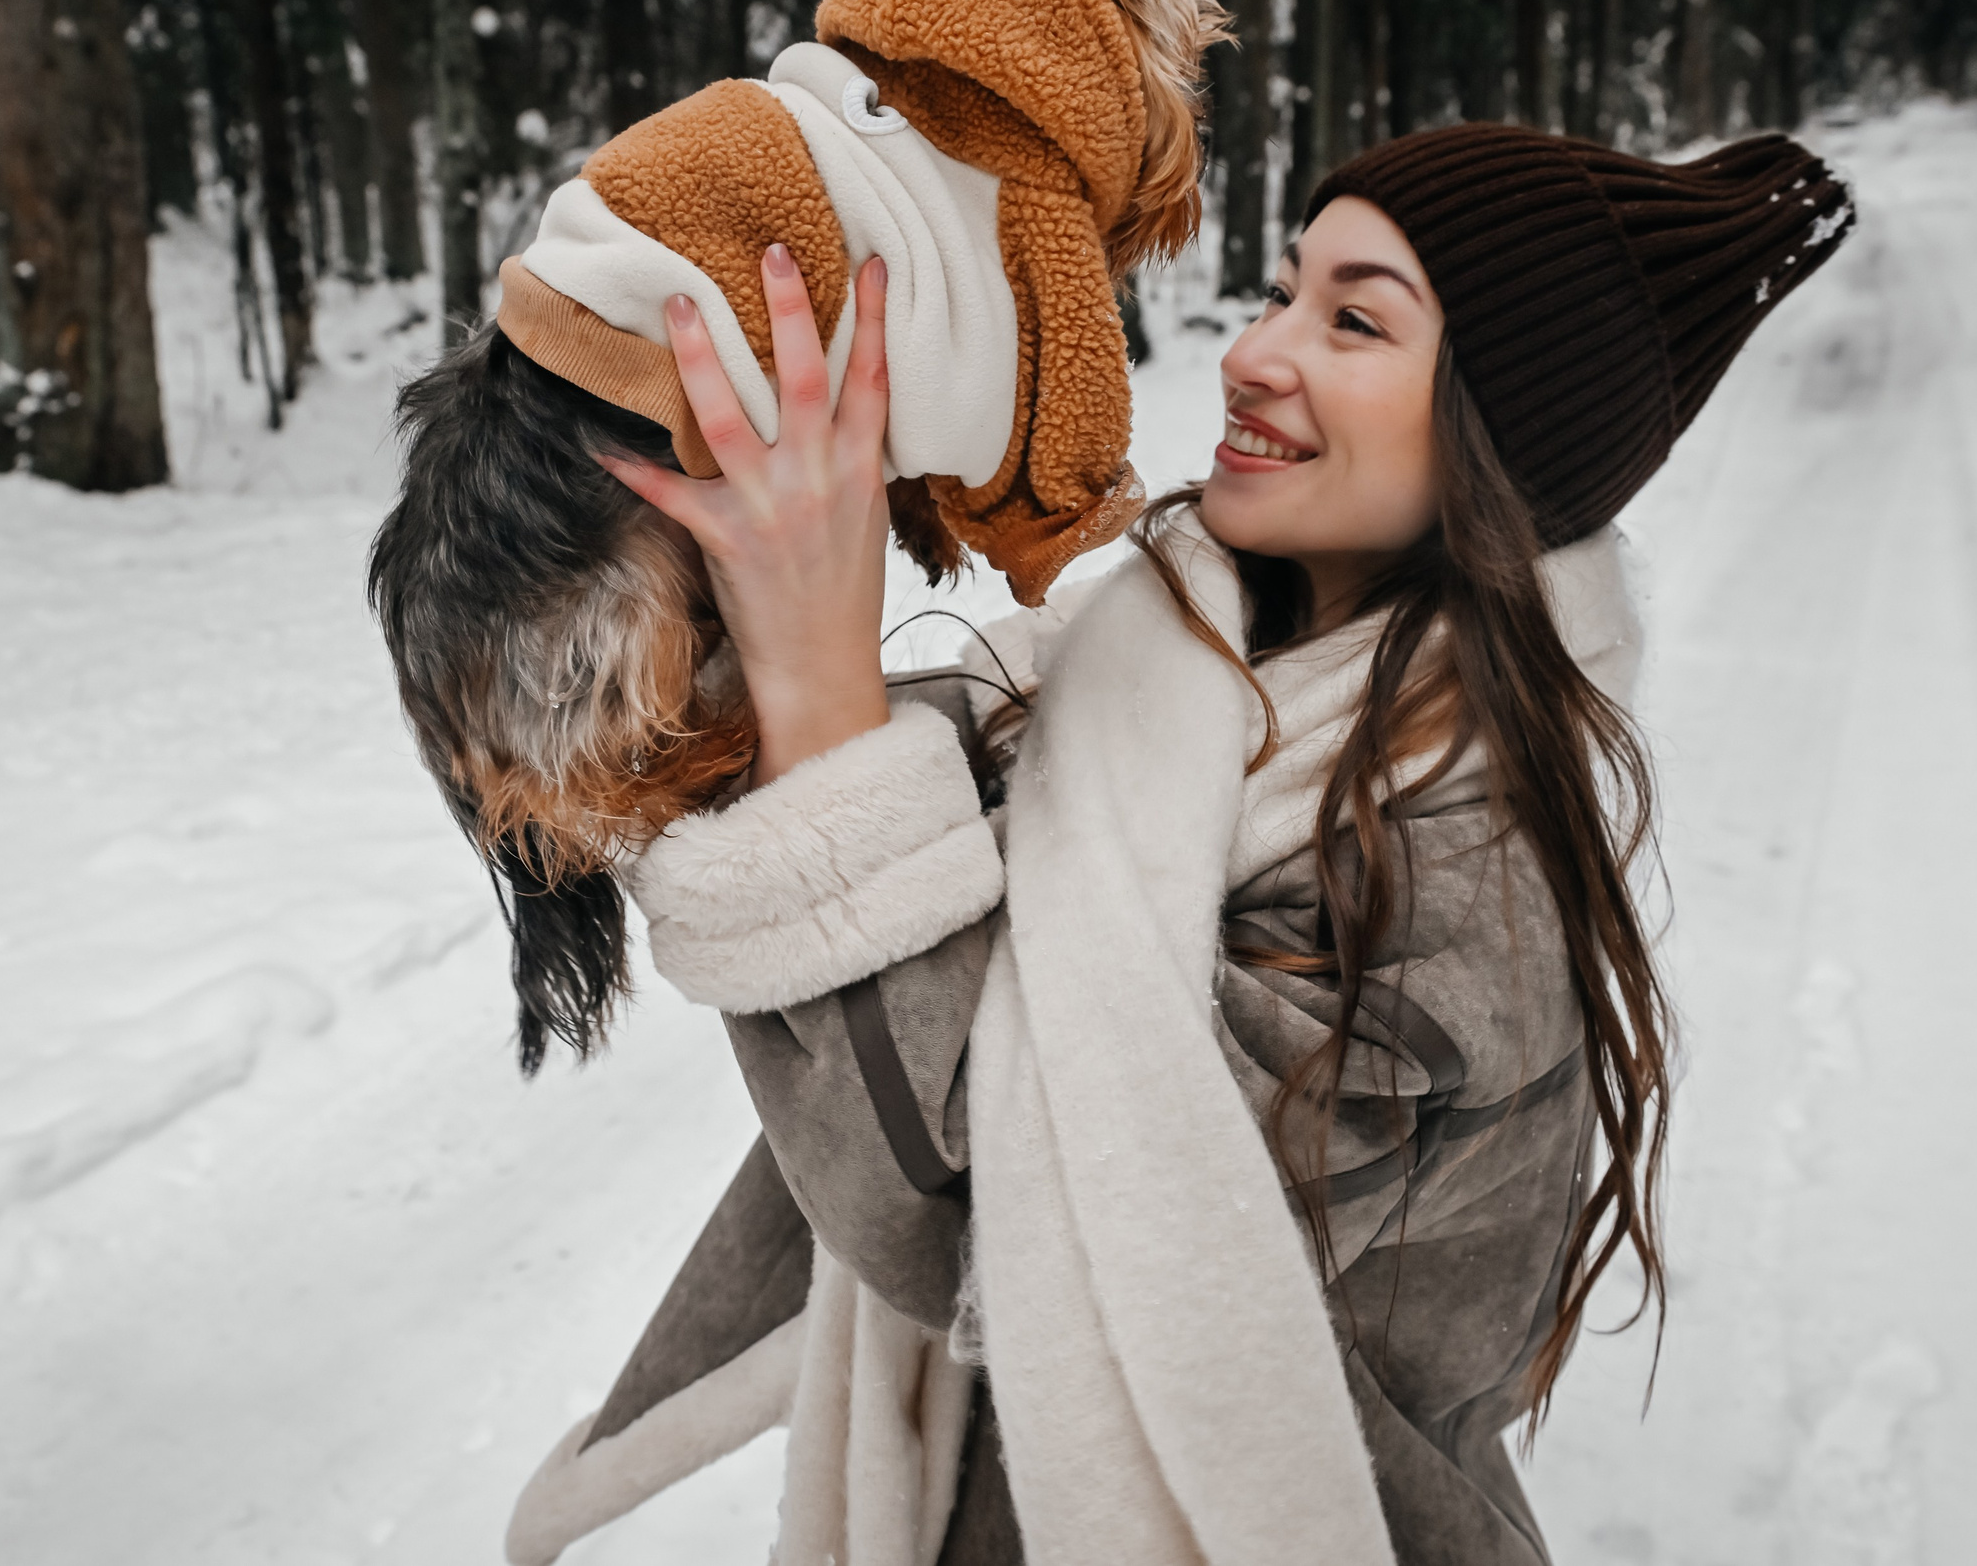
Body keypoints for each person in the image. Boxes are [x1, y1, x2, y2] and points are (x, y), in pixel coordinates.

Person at [517, 124, 1855, 1566]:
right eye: (1282, 290)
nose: (1253, 351)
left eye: (1354, 319)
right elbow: (883, 843)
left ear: (1503, 438)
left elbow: (1008, 1232)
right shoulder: (1145, 665)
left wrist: (824, 701)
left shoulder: (1468, 891)